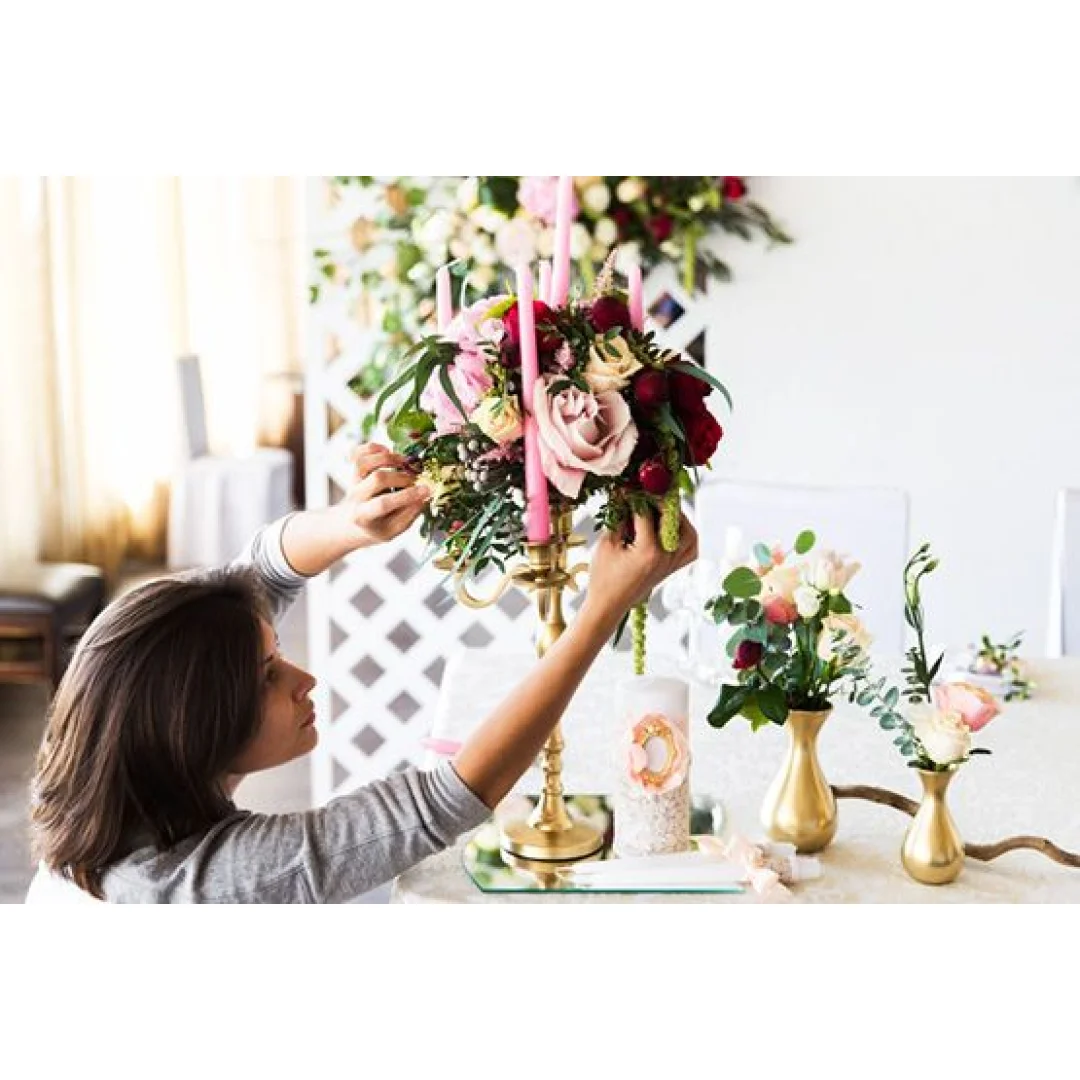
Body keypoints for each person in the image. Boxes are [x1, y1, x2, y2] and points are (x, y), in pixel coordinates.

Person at [25, 442, 697, 903]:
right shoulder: (205, 888)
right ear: (193, 729)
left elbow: (258, 570)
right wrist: (602, 609)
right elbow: (441, 803)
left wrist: (351, 522)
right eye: (268, 676)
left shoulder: (102, 770)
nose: (304, 680)